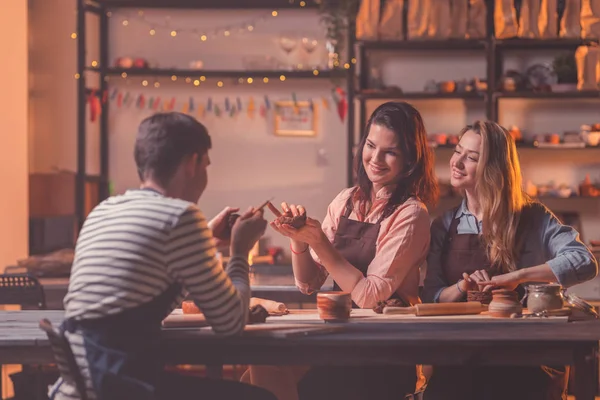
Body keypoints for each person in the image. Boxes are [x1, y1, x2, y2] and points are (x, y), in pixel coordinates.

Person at [49, 112, 276, 400]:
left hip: (80, 386)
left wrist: (206, 239)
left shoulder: (104, 210)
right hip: (122, 388)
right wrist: (240, 251)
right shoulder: (181, 216)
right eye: (206, 164)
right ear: (193, 163)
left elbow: (144, 283)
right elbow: (231, 322)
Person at [245, 101, 439, 400]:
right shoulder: (347, 200)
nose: (375, 158)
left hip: (385, 352)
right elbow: (308, 284)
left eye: (390, 152)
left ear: (410, 159)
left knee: (269, 372)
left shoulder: (411, 214)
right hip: (341, 339)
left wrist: (320, 242)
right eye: (371, 145)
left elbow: (368, 295)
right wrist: (299, 239)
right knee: (260, 368)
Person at [422, 120, 598, 400]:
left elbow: (584, 261)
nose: (457, 162)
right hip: (460, 359)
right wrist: (461, 288)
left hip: (525, 359)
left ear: (493, 170)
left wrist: (518, 276)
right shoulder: (444, 224)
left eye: (472, 157)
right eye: (458, 151)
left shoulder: (532, 217)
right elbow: (431, 296)